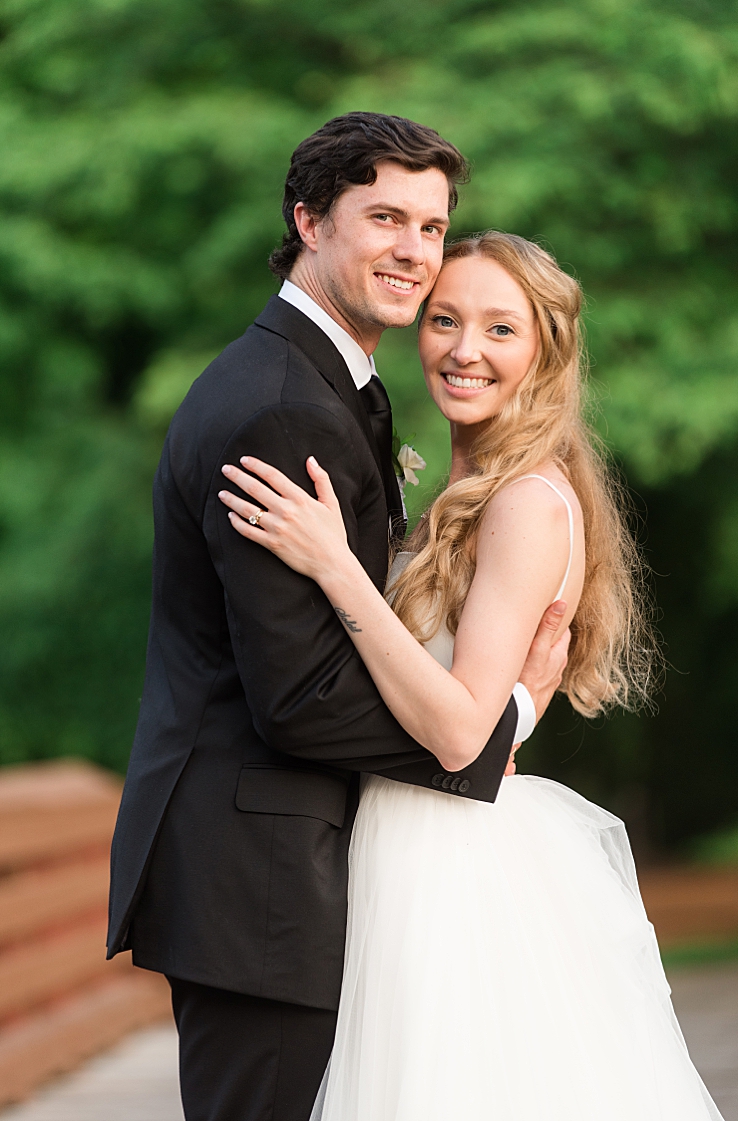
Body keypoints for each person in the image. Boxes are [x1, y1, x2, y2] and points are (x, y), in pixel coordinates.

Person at [107, 114, 570, 1121]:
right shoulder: (285, 406)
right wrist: (491, 730)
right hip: (261, 882)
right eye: (386, 217)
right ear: (308, 219)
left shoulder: (327, 387)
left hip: (286, 872)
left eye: (433, 226)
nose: (414, 249)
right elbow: (301, 699)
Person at [221, 229, 723, 1119]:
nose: (464, 349)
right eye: (446, 320)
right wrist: (519, 708)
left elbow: (458, 730)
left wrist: (338, 566)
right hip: (404, 835)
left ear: (546, 349)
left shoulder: (528, 503)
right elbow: (469, 707)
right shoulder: (471, 494)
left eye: (501, 329)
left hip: (447, 855)